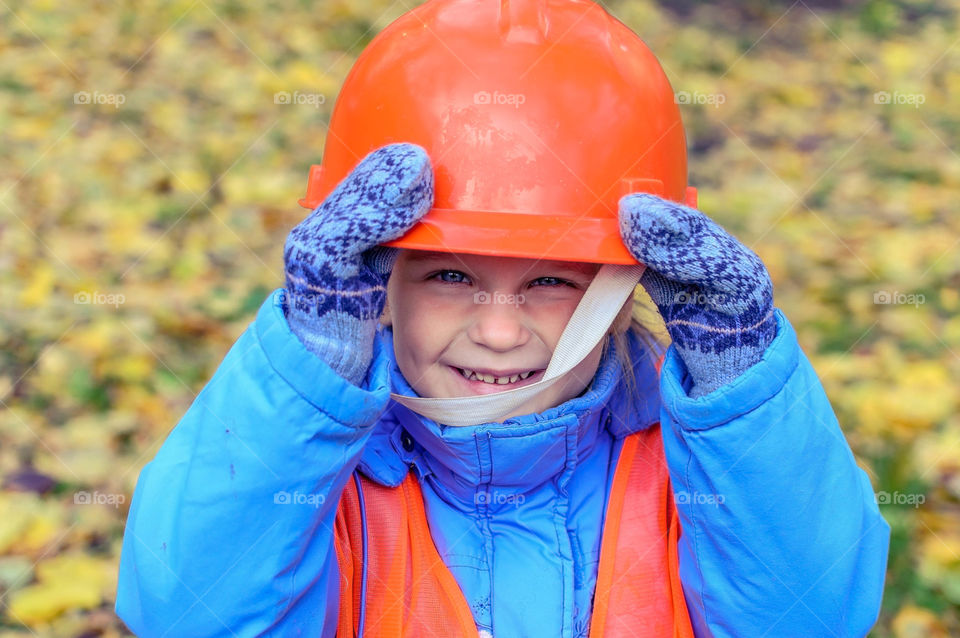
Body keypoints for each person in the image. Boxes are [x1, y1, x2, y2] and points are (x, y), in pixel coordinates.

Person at [115, 1, 890, 637]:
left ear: (624, 289)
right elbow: (186, 617)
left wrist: (742, 395)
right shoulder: (317, 477)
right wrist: (309, 370)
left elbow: (814, 619)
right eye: (451, 275)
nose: (498, 334)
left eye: (552, 280)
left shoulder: (692, 470)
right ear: (376, 283)